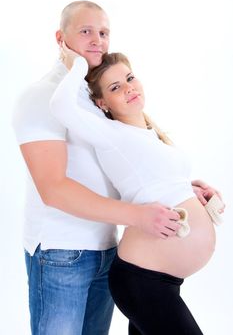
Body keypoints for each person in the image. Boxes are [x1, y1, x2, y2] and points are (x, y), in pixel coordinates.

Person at [12, 0, 219, 335]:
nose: (97, 40)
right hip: (63, 254)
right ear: (61, 37)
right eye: (85, 31)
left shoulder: (93, 98)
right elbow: (52, 189)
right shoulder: (44, 97)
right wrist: (138, 216)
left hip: (106, 249)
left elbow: (125, 168)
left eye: (104, 32)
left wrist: (181, 191)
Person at [49, 48, 224, 335]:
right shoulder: (110, 133)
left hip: (159, 279)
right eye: (116, 87)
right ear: (102, 102)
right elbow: (62, 107)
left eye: (130, 78)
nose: (129, 88)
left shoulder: (147, 134)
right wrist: (78, 64)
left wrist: (190, 191)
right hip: (144, 281)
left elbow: (151, 182)